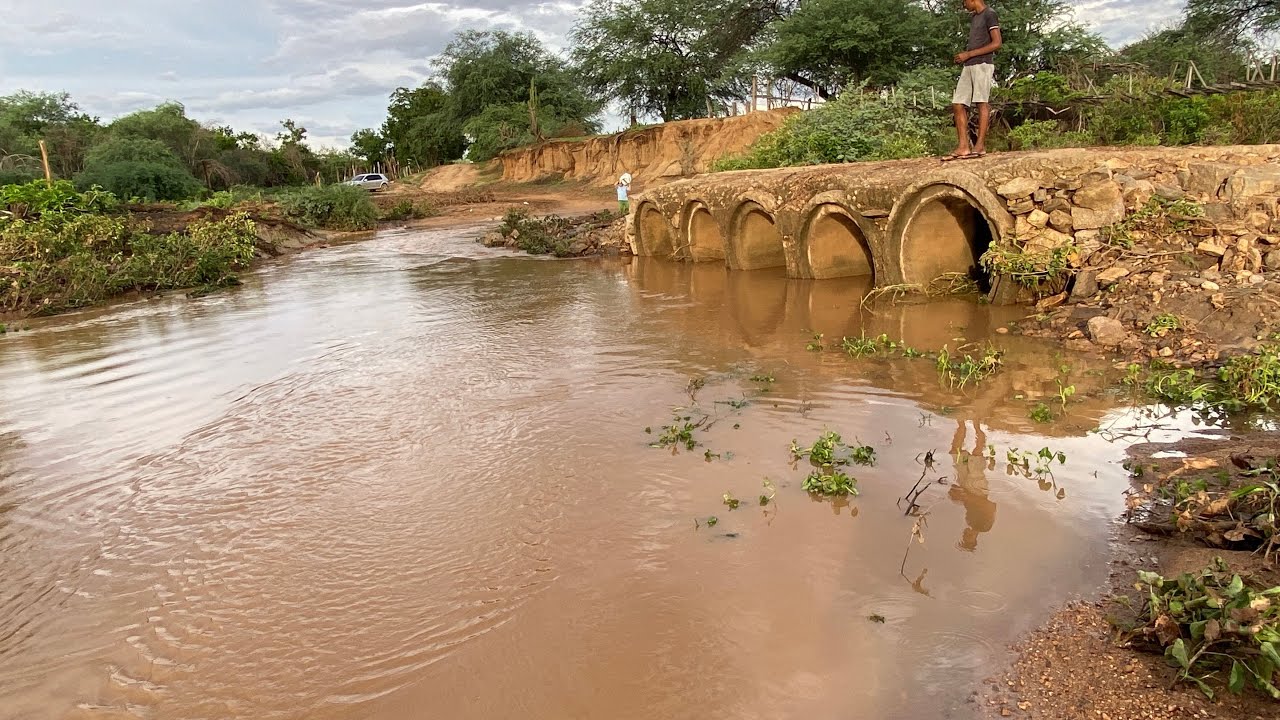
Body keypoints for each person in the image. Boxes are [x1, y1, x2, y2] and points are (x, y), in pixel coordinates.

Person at [943, 0, 1002, 161]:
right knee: (958, 104)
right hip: (969, 65)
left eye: (964, 2)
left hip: (982, 64)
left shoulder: (989, 14)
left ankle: (980, 145)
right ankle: (963, 147)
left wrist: (969, 54)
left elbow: (997, 43)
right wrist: (966, 57)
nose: (964, 5)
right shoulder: (974, 17)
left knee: (981, 102)